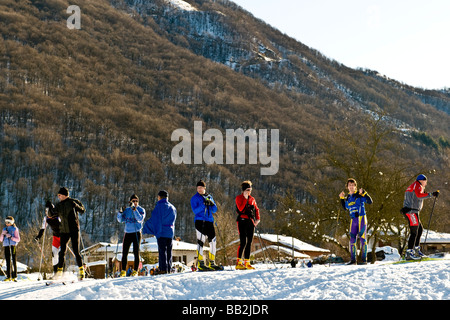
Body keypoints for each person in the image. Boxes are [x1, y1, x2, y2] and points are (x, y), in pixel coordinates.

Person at [47, 187, 86, 280]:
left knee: (76, 251)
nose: (58, 196)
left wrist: (76, 206)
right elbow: (51, 215)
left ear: (64, 195)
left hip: (74, 230)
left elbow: (82, 210)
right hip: (63, 231)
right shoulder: (59, 205)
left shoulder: (73, 201)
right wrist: (49, 208)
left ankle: (81, 271)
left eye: (59, 195)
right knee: (62, 251)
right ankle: (59, 272)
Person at [401, 174, 439, 260]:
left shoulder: (414, 185)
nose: (426, 183)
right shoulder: (418, 185)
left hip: (412, 211)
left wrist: (428, 194)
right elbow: (419, 195)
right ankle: (409, 253)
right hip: (411, 211)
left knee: (420, 229)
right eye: (426, 181)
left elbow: (417, 196)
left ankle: (416, 250)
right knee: (414, 231)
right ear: (422, 180)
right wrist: (431, 194)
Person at [143, 190, 177, 274]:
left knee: (162, 251)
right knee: (169, 251)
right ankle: (168, 268)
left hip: (161, 232)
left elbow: (155, 220)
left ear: (159, 197)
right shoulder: (173, 207)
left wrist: (146, 227)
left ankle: (163, 269)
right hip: (170, 232)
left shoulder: (158, 207)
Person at [339, 178, 373, 265]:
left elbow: (370, 201)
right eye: (349, 185)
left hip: (361, 218)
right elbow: (345, 207)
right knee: (352, 239)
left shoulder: (359, 195)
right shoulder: (348, 198)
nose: (351, 187)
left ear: (355, 187)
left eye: (352, 185)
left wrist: (365, 193)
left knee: (362, 238)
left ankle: (364, 260)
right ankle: (353, 260)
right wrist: (342, 199)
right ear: (347, 187)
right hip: (353, 220)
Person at [190, 180, 221, 271]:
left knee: (213, 242)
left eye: (201, 188)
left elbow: (214, 210)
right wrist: (204, 205)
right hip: (200, 221)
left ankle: (212, 262)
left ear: (204, 188)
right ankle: (201, 262)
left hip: (209, 221)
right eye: (198, 188)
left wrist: (211, 203)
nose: (199, 189)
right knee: (201, 241)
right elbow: (195, 211)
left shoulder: (209, 196)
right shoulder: (194, 198)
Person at [117, 194, 146, 277]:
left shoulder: (141, 209)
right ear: (130, 202)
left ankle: (135, 271)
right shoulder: (127, 210)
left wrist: (134, 209)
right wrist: (120, 212)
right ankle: (123, 271)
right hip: (128, 233)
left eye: (136, 201)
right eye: (133, 201)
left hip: (137, 232)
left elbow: (140, 219)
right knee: (124, 252)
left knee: (136, 252)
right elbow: (120, 220)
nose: (135, 203)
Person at [235, 180, 260, 270]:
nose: (249, 191)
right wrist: (245, 199)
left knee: (249, 242)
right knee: (243, 242)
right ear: (243, 190)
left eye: (250, 189)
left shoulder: (252, 199)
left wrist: (258, 219)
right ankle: (239, 262)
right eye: (247, 190)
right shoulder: (239, 198)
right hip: (242, 220)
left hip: (250, 221)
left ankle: (247, 262)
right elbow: (240, 209)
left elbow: (256, 209)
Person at [35, 206, 62, 274]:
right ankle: (55, 273)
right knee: (54, 255)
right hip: (55, 237)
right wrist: (38, 236)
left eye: (48, 212)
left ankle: (62, 272)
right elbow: (43, 228)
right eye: (46, 212)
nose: (47, 214)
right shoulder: (46, 218)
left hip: (63, 237)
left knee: (61, 254)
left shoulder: (58, 216)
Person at [0, 216, 20, 281]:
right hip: (6, 245)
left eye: (8, 222)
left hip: (12, 245)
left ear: (11, 222)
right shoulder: (4, 229)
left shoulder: (15, 229)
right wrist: (2, 234)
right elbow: (1, 240)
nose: (7, 223)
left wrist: (11, 237)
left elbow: (18, 239)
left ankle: (15, 276)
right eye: (6, 222)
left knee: (13, 260)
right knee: (8, 261)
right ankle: (8, 276)